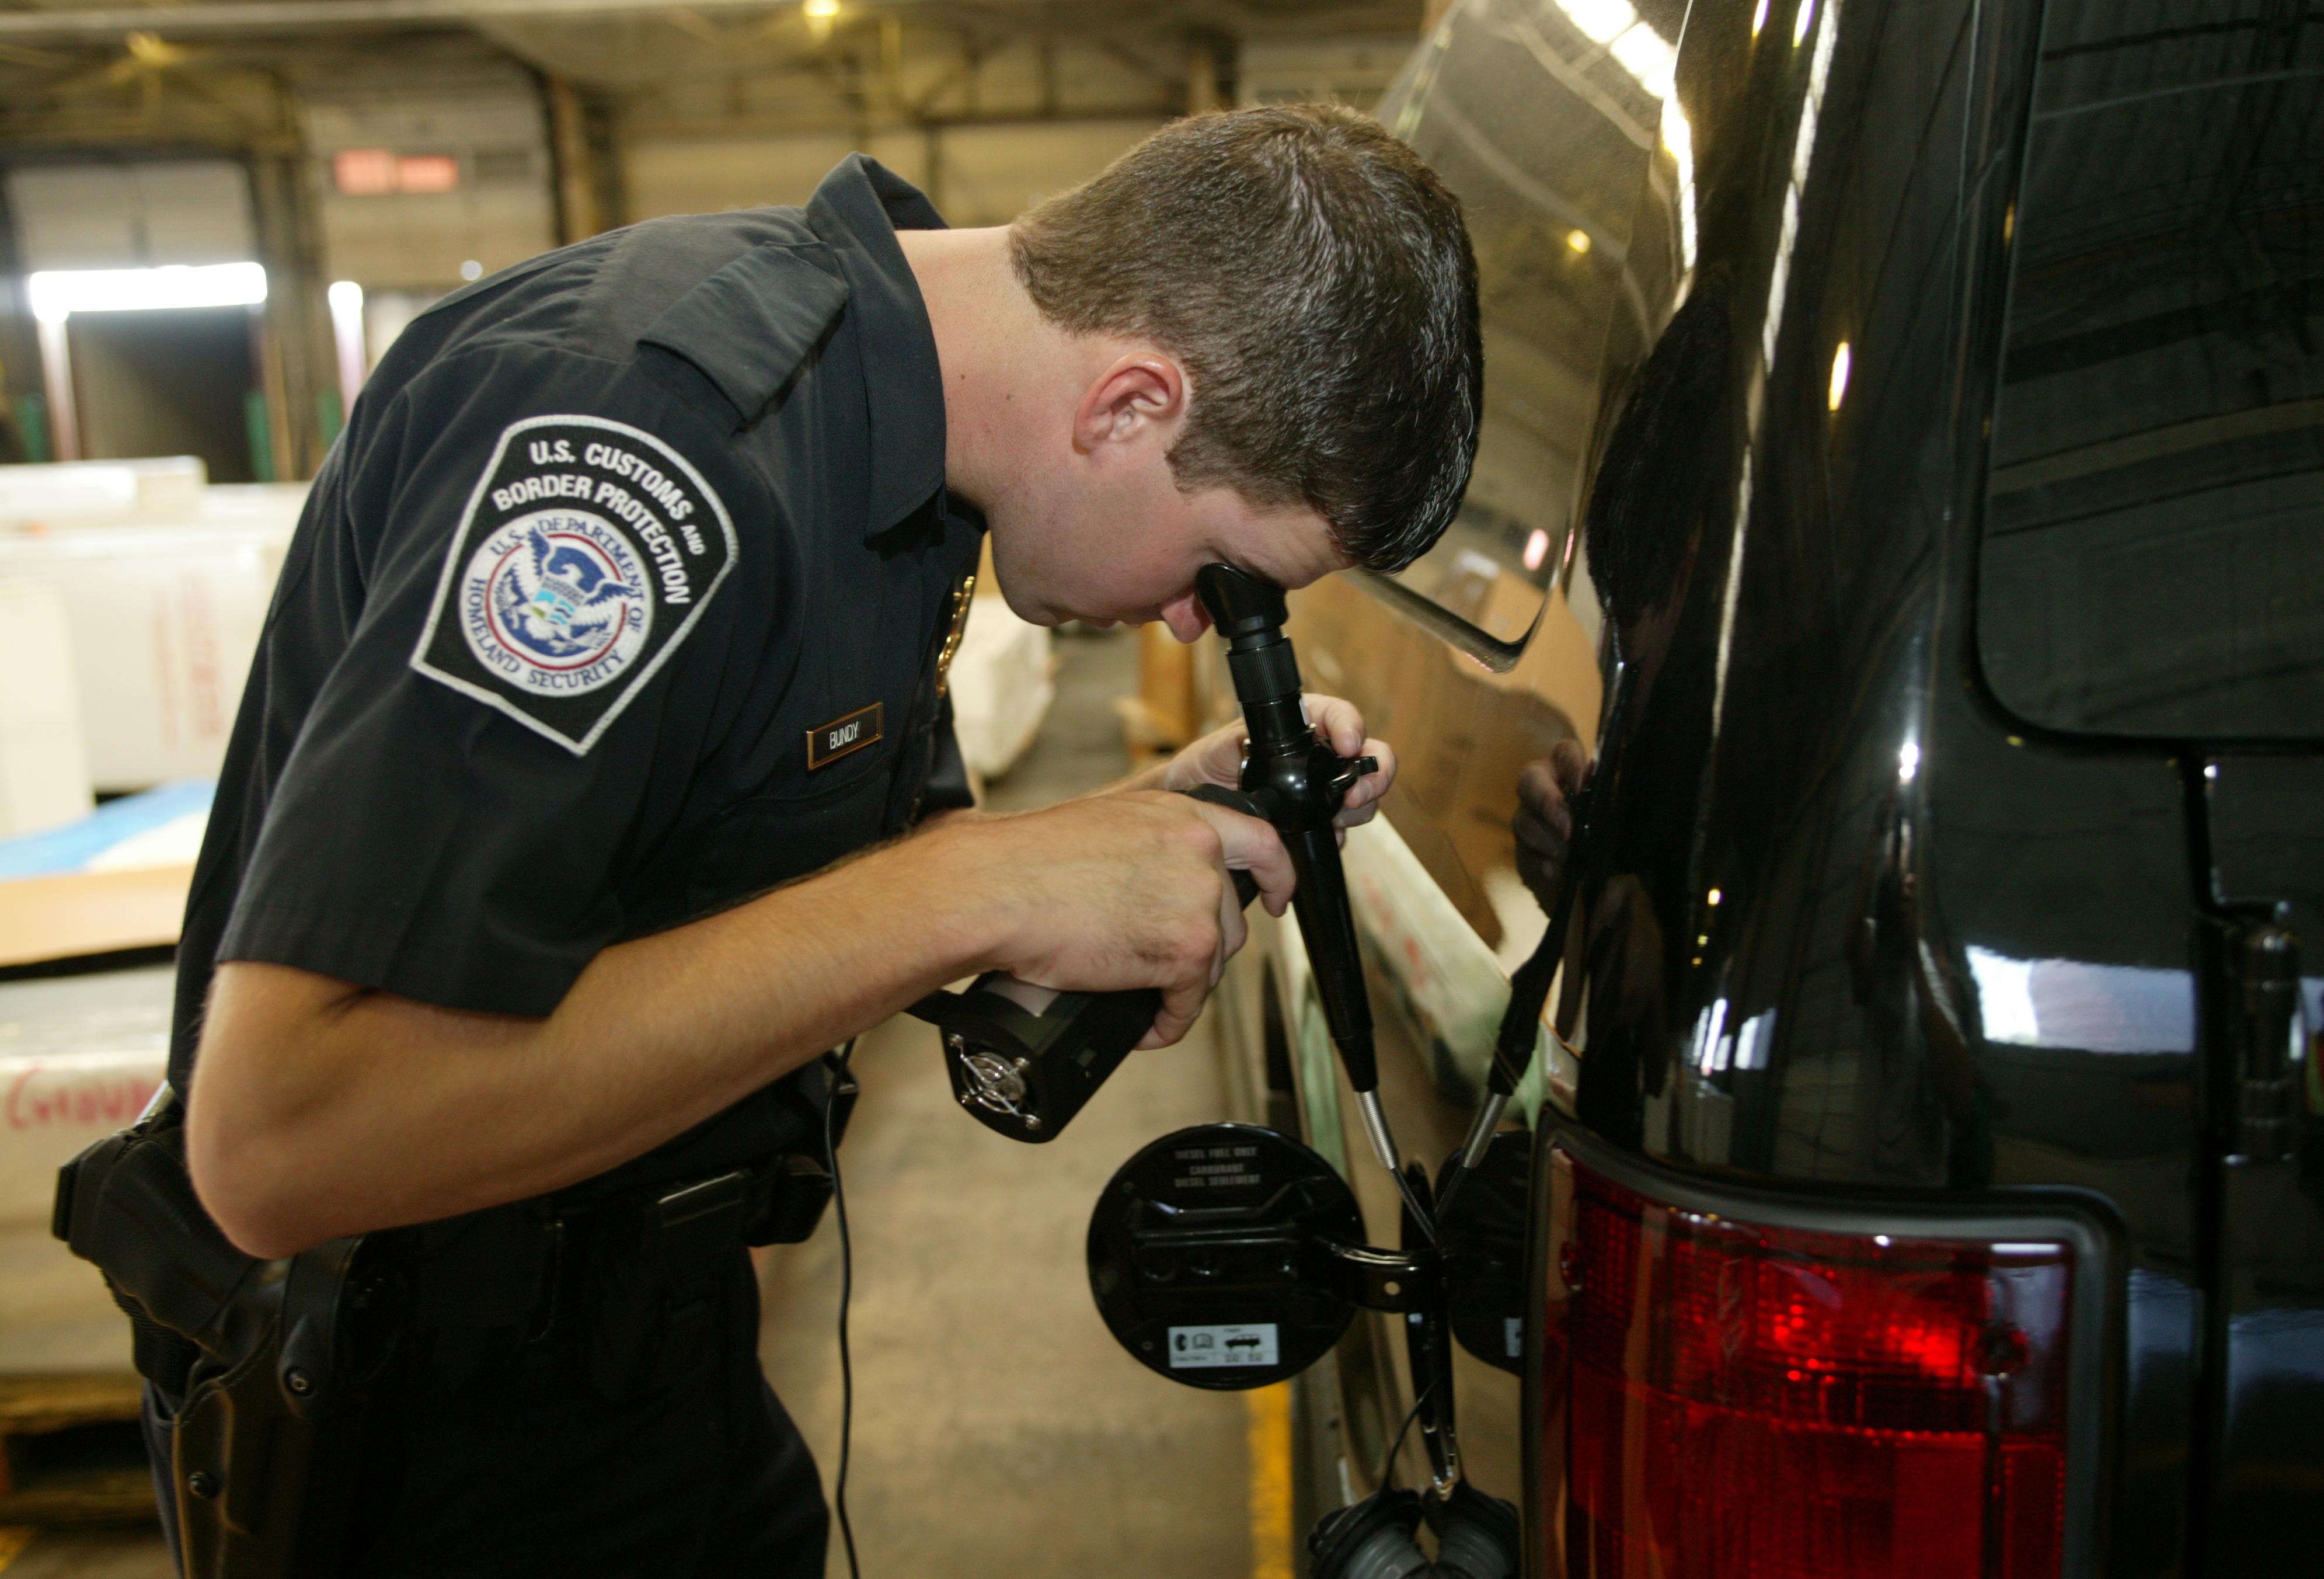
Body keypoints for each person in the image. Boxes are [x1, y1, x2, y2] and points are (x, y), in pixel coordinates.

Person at [161, 103, 1480, 1575]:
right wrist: (970, 886)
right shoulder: (637, 455)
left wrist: (1128, 830)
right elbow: (279, 1138)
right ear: (1127, 405)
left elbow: (797, 884)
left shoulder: (898, 449)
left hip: (660, 1348)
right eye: (1222, 575)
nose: (1190, 624)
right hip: (422, 1433)